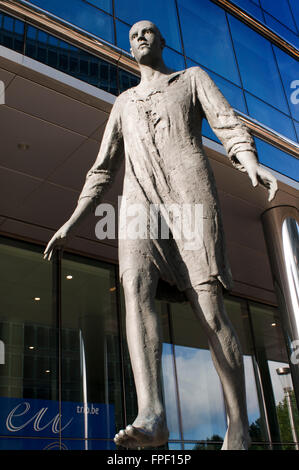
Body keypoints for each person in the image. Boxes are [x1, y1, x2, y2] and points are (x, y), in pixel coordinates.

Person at [44, 20, 277, 450]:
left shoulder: (190, 79)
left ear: (162, 40)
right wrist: (72, 221)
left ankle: (239, 427)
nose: (140, 39)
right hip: (137, 203)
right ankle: (152, 414)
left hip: (189, 195)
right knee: (133, 287)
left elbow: (225, 122)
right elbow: (102, 168)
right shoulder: (124, 102)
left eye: (147, 32)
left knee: (209, 308)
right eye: (133, 36)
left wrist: (248, 159)